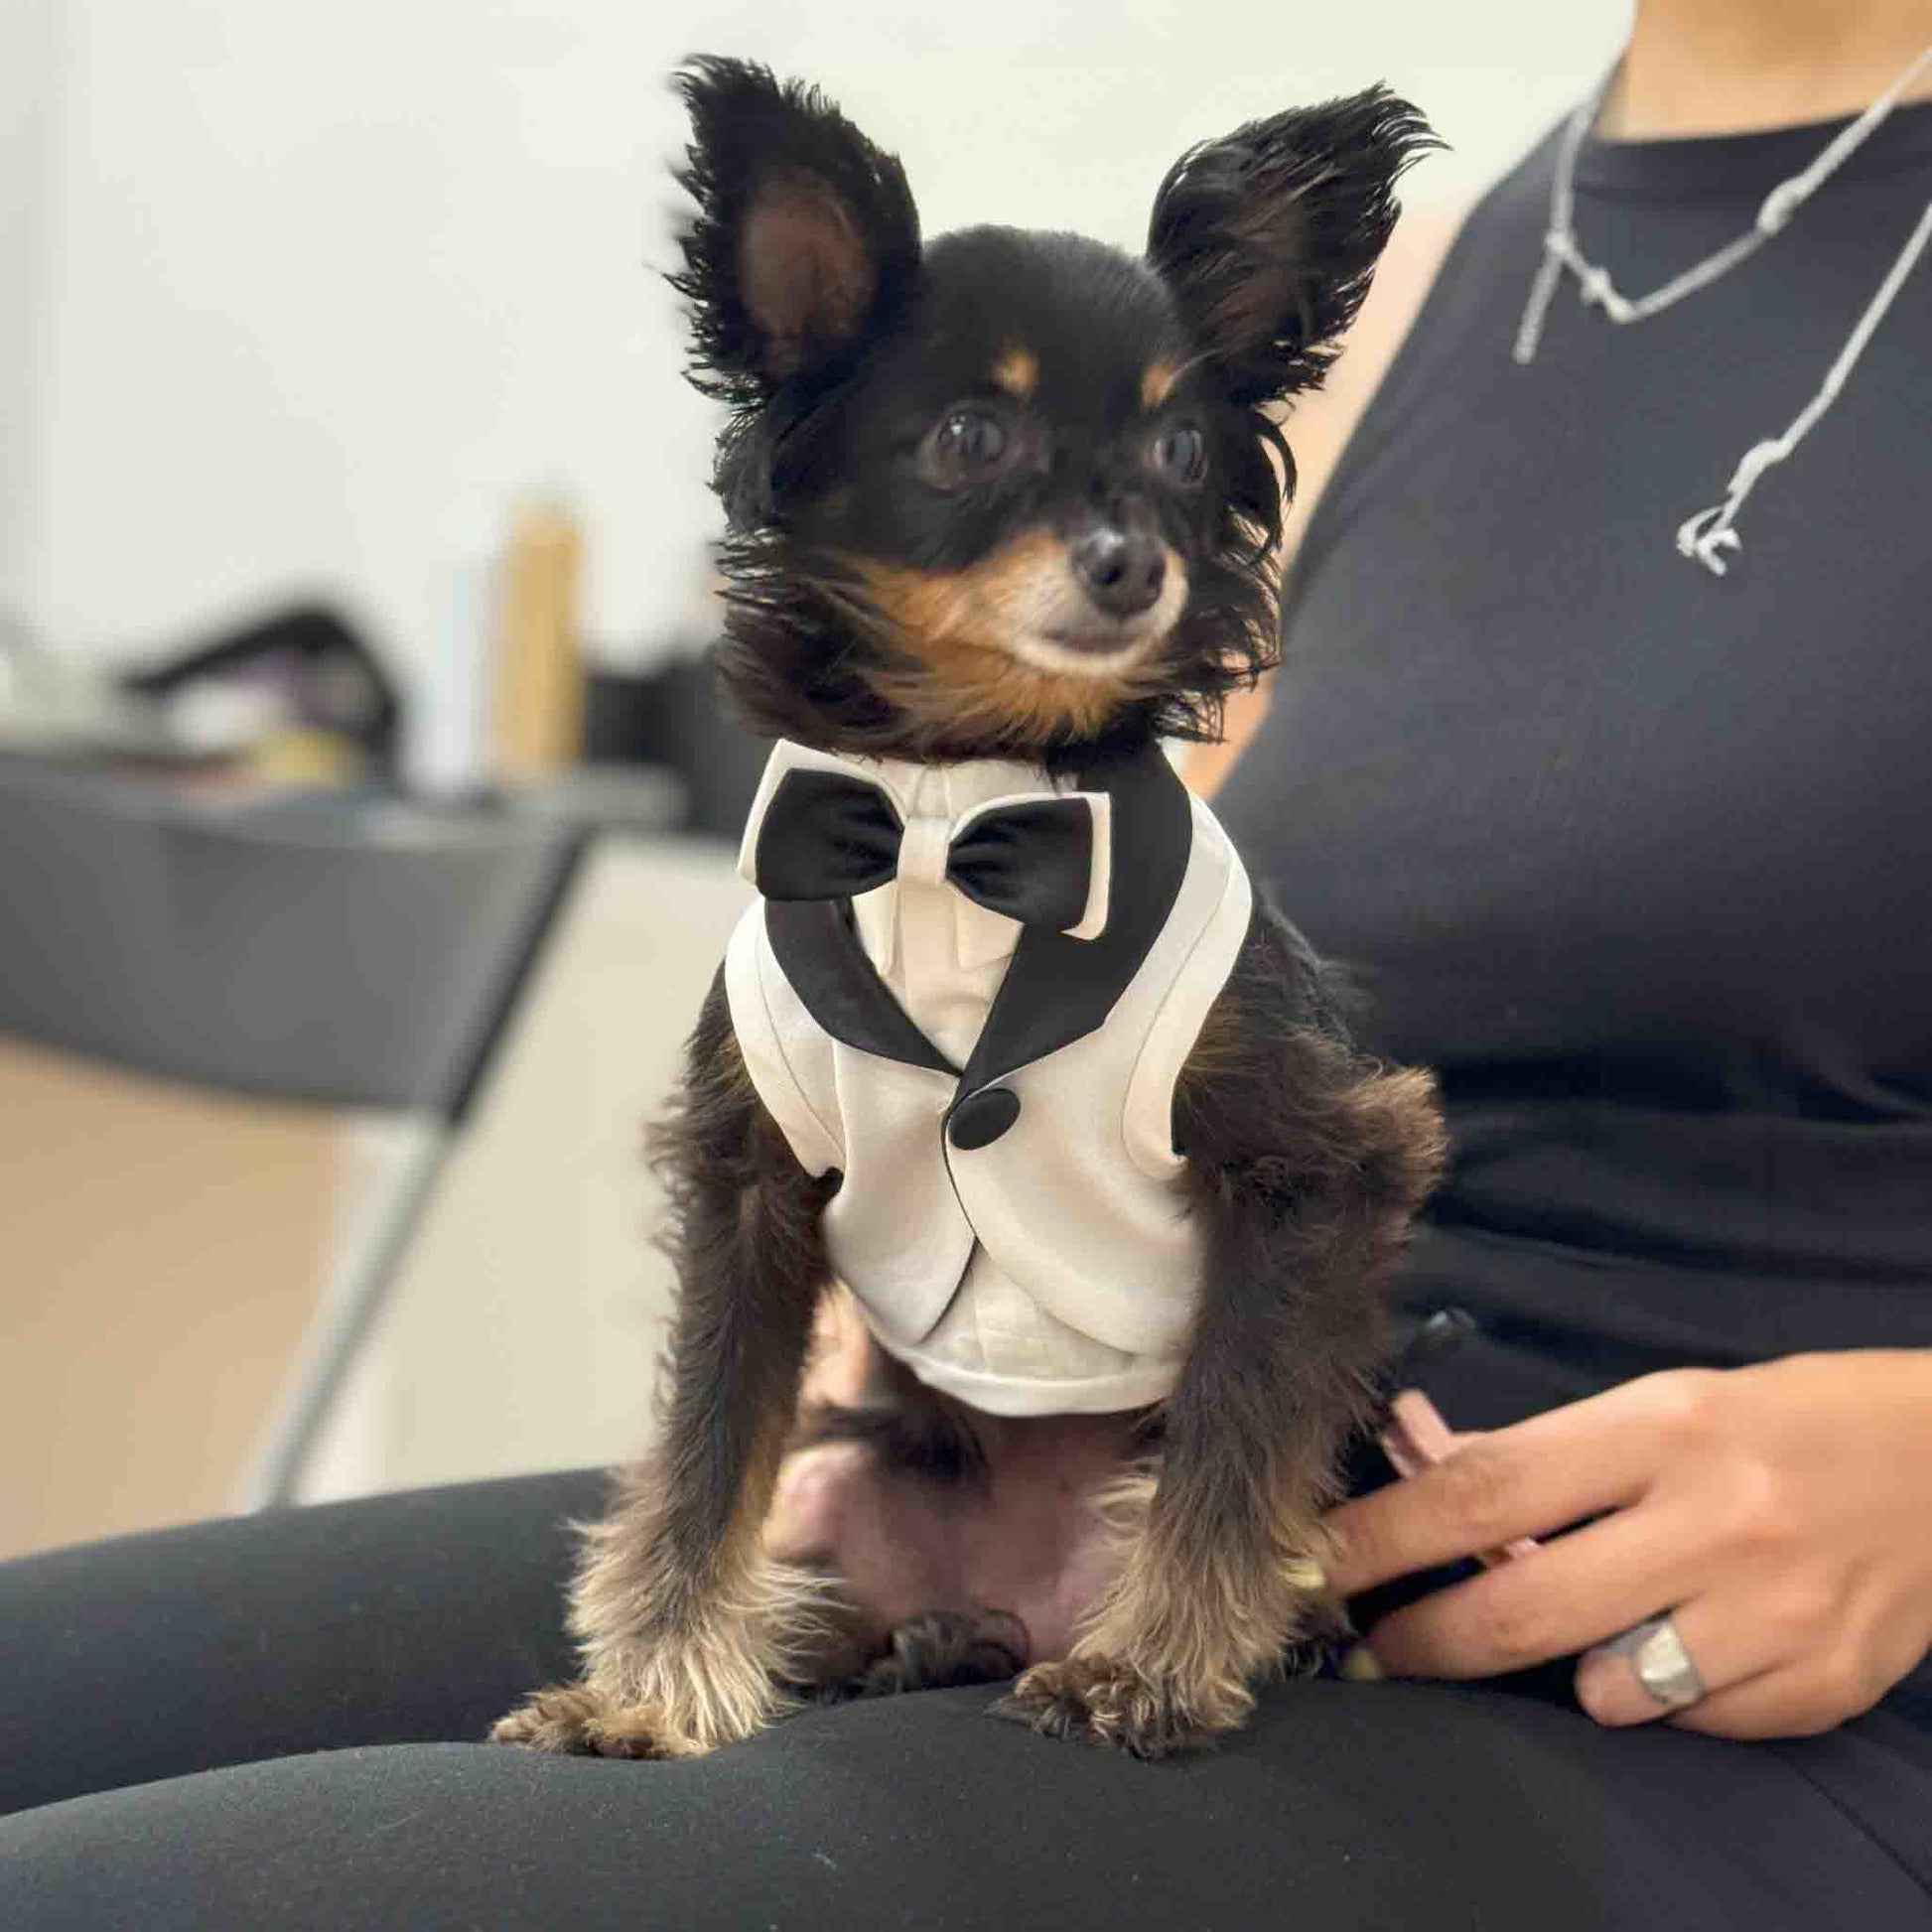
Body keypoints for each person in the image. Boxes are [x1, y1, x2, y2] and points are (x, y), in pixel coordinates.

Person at [5, 2, 1930, 1922]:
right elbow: (1135, 947)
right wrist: (897, 1358)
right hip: (1077, 1471)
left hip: (1722, 1692)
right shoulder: (1424, 286)